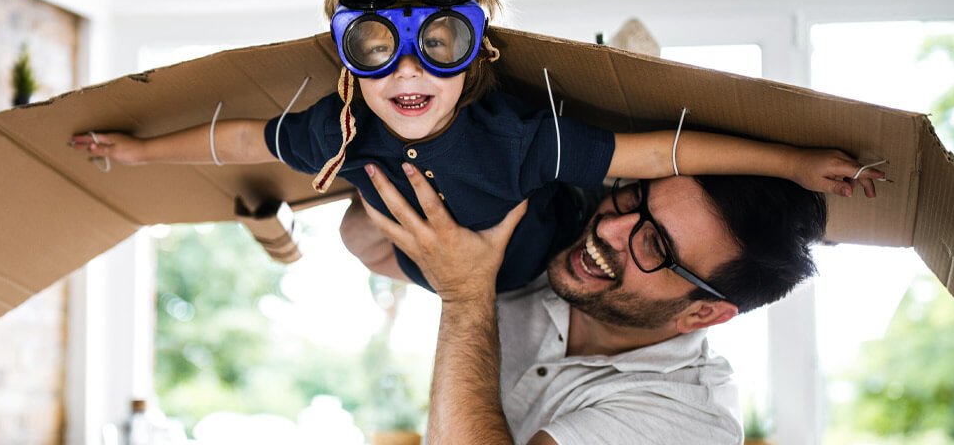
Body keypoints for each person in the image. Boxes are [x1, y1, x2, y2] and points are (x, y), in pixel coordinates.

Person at [71, 0, 879, 294]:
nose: (410, 71)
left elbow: (660, 153)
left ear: (478, 53)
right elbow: (243, 135)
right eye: (378, 45)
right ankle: (316, 240)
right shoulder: (344, 124)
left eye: (442, 41)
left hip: (529, 273)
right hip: (417, 268)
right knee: (356, 234)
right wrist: (139, 153)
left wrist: (793, 162)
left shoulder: (523, 136)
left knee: (374, 224)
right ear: (348, 53)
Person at [348, 160, 828, 444]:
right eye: (633, 199)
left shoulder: (690, 422)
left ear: (702, 312)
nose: (609, 228)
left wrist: (465, 294)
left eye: (655, 246)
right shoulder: (554, 250)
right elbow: (364, 241)